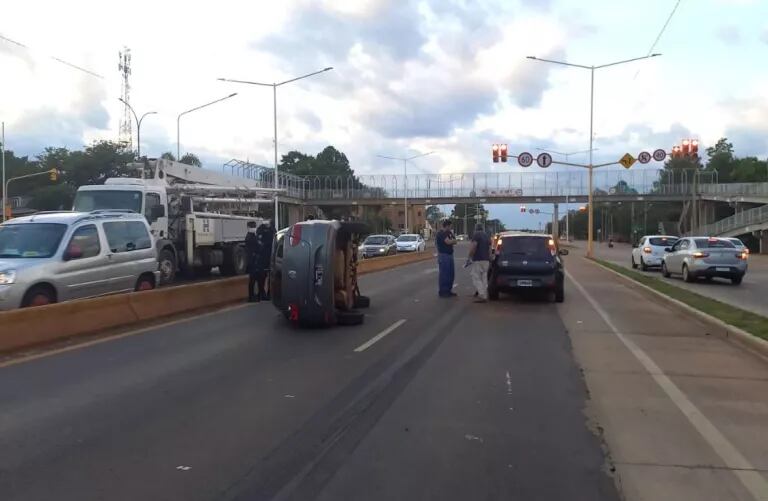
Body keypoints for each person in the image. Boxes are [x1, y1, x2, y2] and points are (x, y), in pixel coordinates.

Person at [467, 223, 491, 303]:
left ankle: (481, 294)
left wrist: (469, 257)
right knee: (484, 277)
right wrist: (490, 257)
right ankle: (485, 294)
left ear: (476, 228)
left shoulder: (476, 235)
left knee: (476, 277)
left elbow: (474, 246)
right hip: (486, 260)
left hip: (478, 259)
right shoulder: (487, 236)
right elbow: (490, 248)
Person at [254, 220, 276, 301]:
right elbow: (258, 241)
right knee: (262, 276)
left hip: (269, 255)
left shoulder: (272, 229)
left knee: (269, 276)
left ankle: (268, 293)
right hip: (264, 256)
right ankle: (262, 293)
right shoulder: (261, 229)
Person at [435, 219, 457, 297]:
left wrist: (452, 240)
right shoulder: (441, 233)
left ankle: (448, 290)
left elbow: (455, 241)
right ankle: (443, 291)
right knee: (444, 274)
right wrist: (452, 241)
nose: (451, 228)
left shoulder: (449, 233)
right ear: (447, 226)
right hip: (443, 255)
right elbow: (448, 242)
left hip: (450, 254)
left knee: (451, 274)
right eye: (450, 226)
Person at [245, 221, 260, 302]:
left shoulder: (252, 236)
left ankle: (253, 295)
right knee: (253, 279)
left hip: (253, 260)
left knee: (254, 279)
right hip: (252, 260)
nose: (254, 228)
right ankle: (251, 296)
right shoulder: (250, 237)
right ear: (248, 228)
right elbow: (255, 248)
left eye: (254, 226)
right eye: (252, 227)